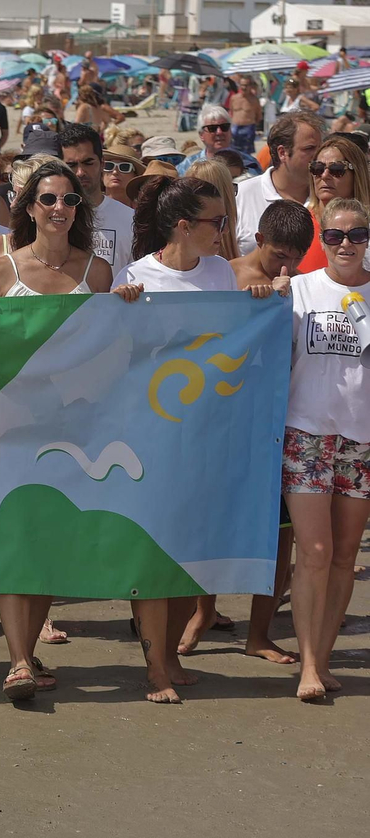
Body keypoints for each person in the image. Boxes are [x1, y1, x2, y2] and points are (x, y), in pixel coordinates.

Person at [114, 176, 277, 703]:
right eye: (217, 222)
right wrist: (120, 307)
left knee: (193, 556)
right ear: (184, 225)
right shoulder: (136, 277)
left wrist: (253, 302)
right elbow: (115, 357)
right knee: (157, 557)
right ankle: (155, 666)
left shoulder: (219, 275)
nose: (225, 232)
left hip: (207, 438)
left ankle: (165, 656)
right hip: (153, 439)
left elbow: (234, 346)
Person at [0, 161, 114, 700]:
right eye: (49, 199)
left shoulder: (97, 272)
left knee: (51, 539)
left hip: (74, 429)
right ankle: (17, 662)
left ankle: (26, 651)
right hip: (10, 425)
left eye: (70, 201)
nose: (59, 209)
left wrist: (126, 308)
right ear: (29, 207)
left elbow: (110, 349)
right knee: (15, 536)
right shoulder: (2, 267)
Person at [280, 197, 370, 701]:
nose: (345, 245)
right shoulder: (297, 290)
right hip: (307, 431)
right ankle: (309, 665)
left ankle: (326, 657)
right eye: (334, 236)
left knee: (343, 557)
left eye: (356, 235)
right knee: (314, 551)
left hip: (363, 439)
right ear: (322, 239)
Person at [230, 200, 312, 666]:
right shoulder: (224, 274)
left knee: (281, 536)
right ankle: (204, 614)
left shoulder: (299, 289)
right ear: (258, 240)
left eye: (294, 257)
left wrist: (284, 297)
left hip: (276, 424)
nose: (285, 265)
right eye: (278, 253)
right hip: (226, 422)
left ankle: (259, 633)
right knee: (213, 525)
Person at [236, 112, 323, 256]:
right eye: (309, 149)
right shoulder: (241, 196)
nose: (318, 156)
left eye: (320, 148)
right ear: (282, 153)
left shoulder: (329, 194)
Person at [58, 123, 135, 278]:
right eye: (71, 165)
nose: (80, 172)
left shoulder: (130, 219)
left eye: (88, 163)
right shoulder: (52, 216)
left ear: (102, 164)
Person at [295, 134, 370, 274]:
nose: (324, 175)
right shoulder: (296, 222)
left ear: (357, 174)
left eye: (336, 169)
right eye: (317, 168)